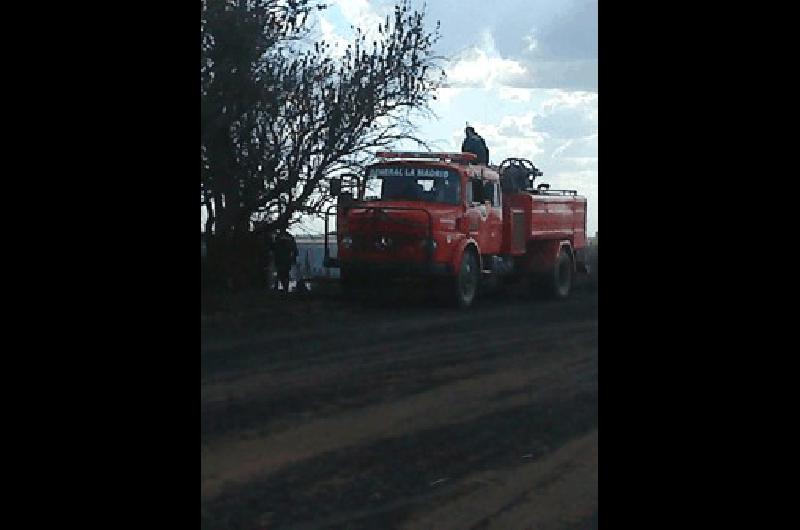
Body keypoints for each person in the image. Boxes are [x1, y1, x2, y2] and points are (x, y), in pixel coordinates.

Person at [273, 229, 298, 293]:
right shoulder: (289, 237)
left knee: (281, 274)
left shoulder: (277, 237)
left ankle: (280, 289)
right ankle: (284, 289)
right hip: (285, 260)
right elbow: (295, 250)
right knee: (283, 275)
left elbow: (273, 248)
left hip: (281, 259)